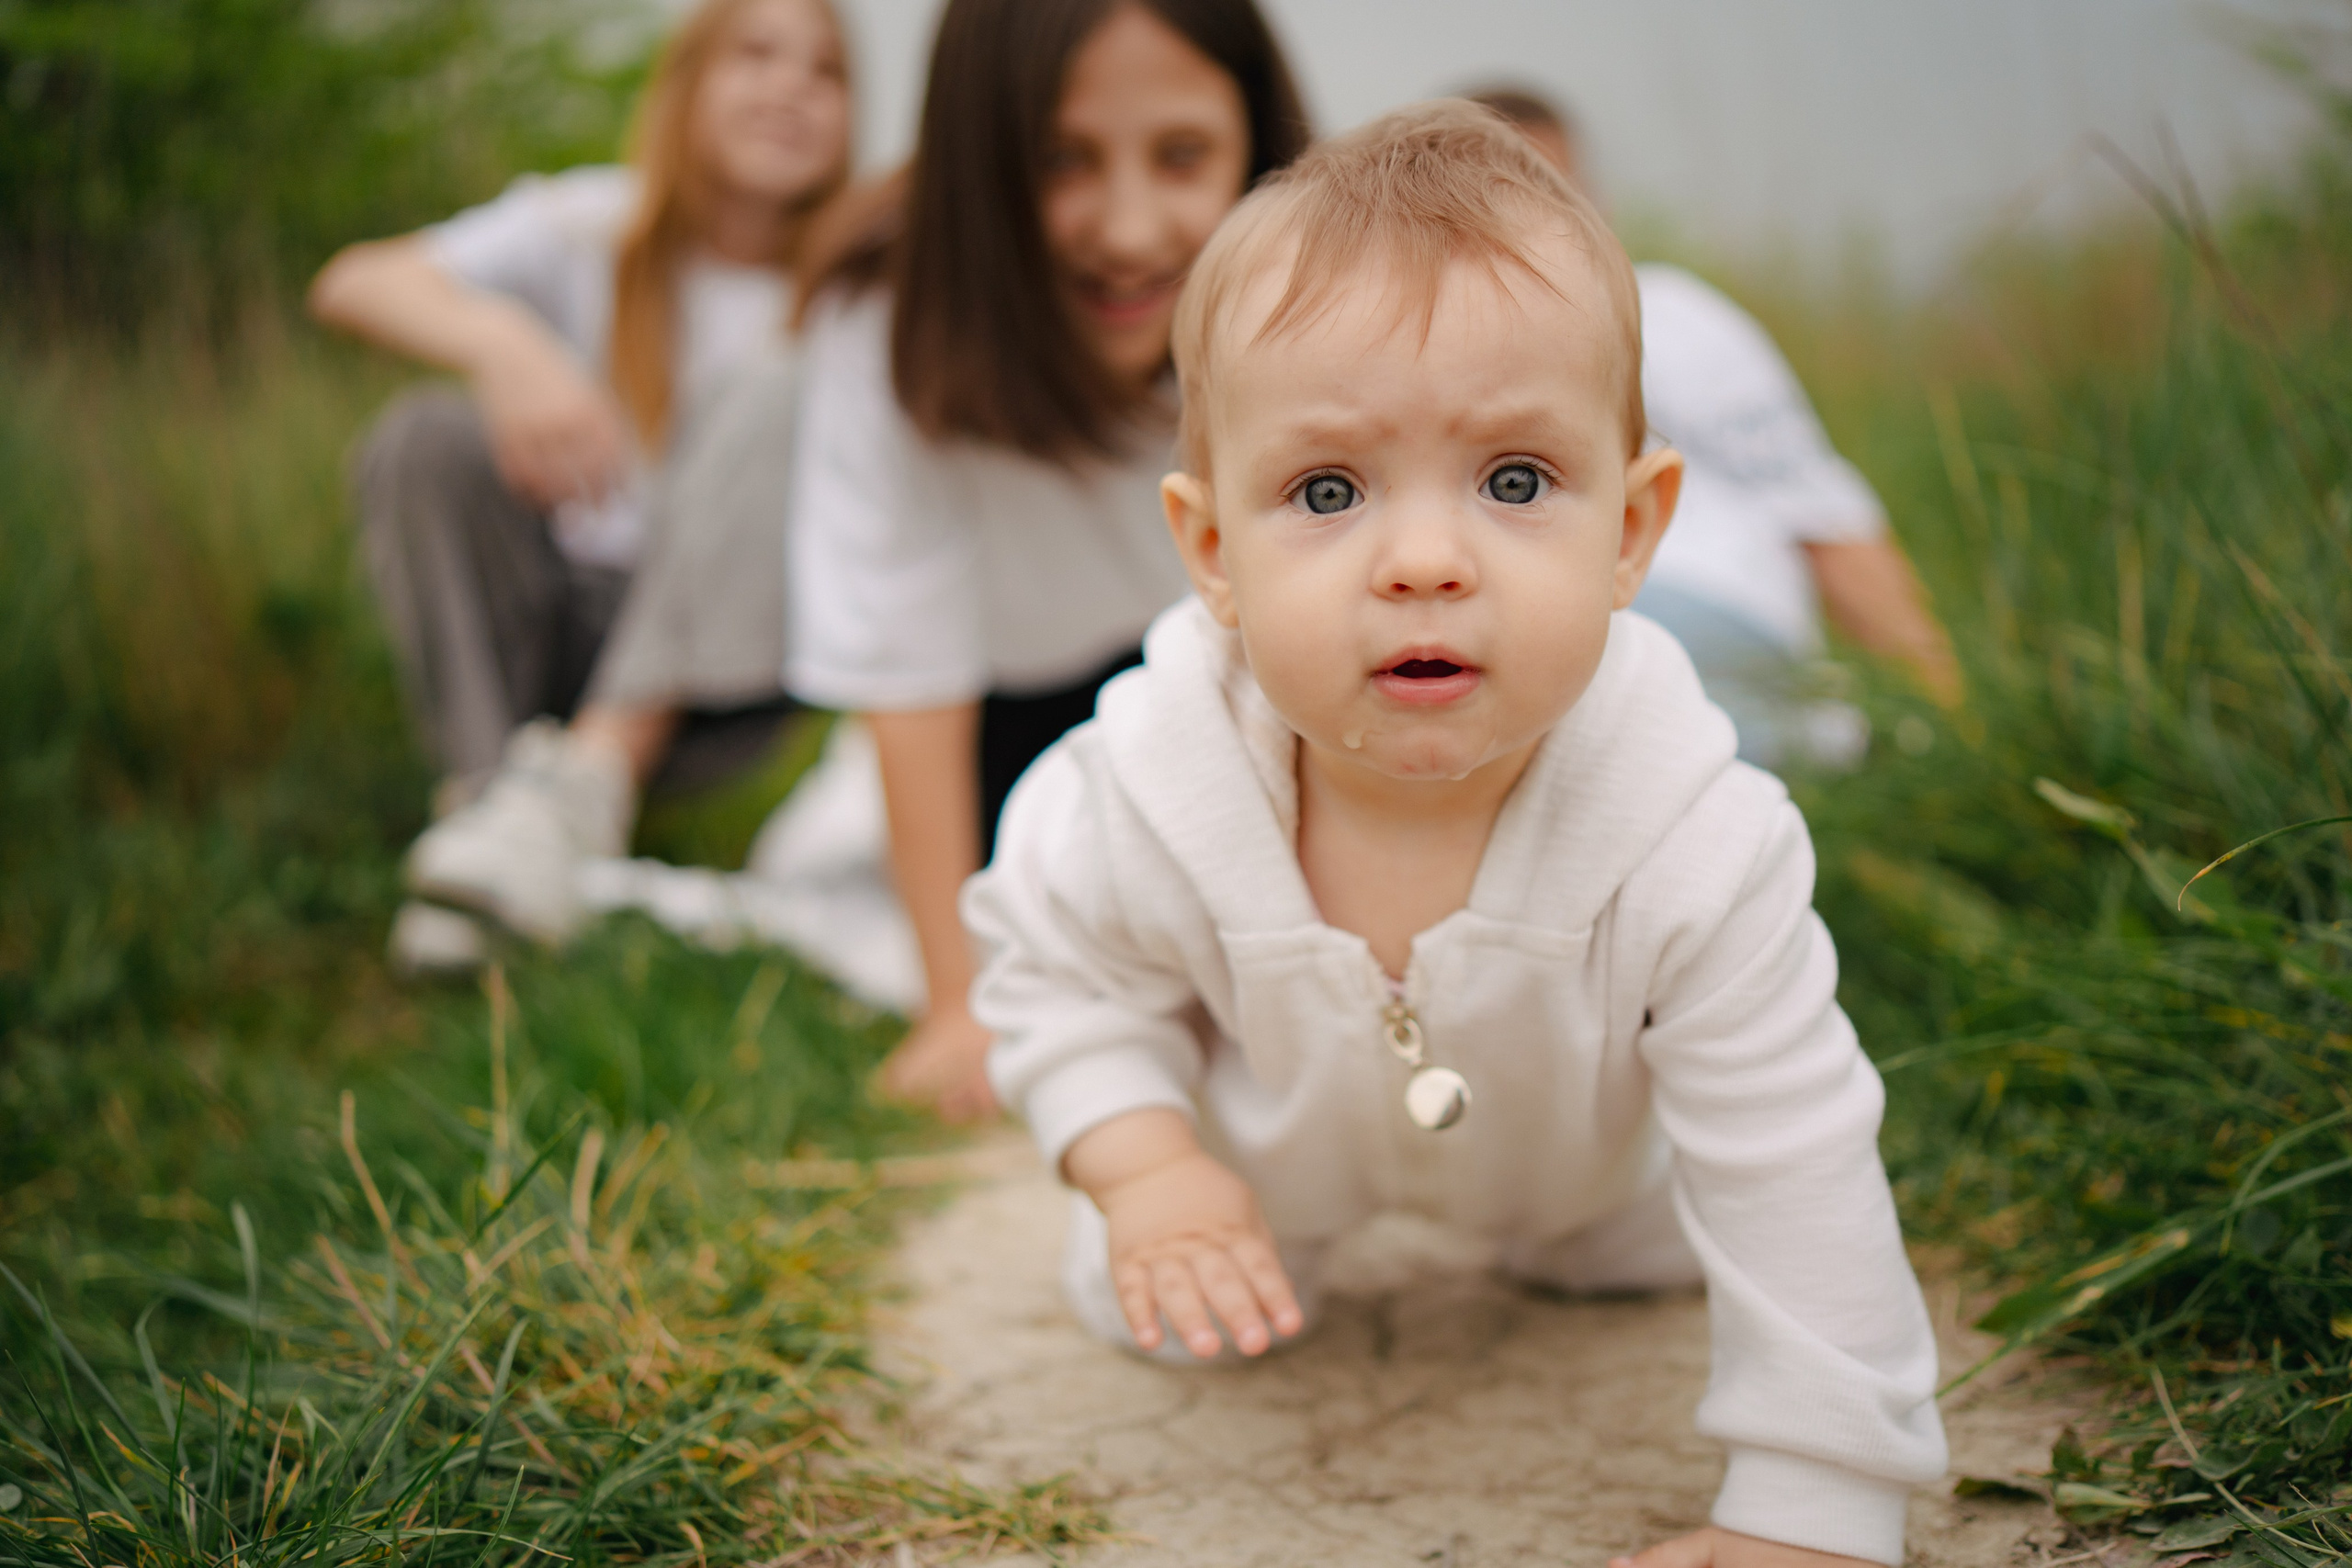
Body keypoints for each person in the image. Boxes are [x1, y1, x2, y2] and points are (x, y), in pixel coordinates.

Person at [966, 104, 1946, 1566]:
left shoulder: (1697, 835)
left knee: (1696, 1241)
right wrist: (1144, 1163)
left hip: (1601, 1181)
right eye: (1327, 490)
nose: (1425, 561)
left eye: (1514, 480)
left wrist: (1818, 1505)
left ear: (1634, 529)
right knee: (1149, 1295)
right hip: (1270, 1174)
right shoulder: (1144, 788)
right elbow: (1059, 980)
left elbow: (1791, 1154)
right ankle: (1199, 1213)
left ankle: (1599, 1260)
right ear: (1214, 551)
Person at [785, 0, 1310, 1118]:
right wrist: (955, 1003)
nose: (1128, 229)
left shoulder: (1311, 296)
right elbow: (906, 670)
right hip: (1005, 723)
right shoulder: (888, 322)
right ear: (977, 165)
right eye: (1061, 161)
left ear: (1257, 146)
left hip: (1240, 686)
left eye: (1182, 155)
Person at [308, 0, 853, 964]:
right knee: (424, 438)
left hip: (732, 666)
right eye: (757, 54)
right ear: (690, 82)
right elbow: (354, 280)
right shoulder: (594, 224)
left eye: (826, 72)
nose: (789, 90)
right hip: (558, 612)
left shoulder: (854, 285)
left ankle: (586, 785)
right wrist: (503, 344)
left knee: (779, 387)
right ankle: (494, 823)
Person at [1470, 86, 1959, 768]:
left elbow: (1826, 519)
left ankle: (1806, 744)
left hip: (1706, 600)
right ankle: (1801, 745)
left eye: (1557, 193)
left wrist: (1953, 713)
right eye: (1498, 199)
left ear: (1597, 203)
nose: (1535, 223)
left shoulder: (1671, 314)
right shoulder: (1427, 348)